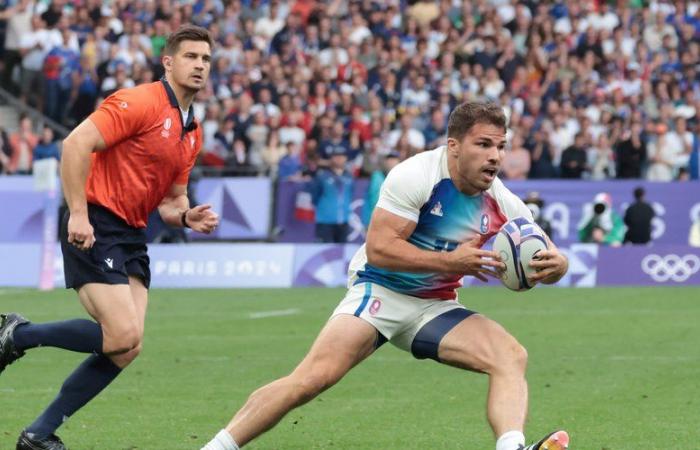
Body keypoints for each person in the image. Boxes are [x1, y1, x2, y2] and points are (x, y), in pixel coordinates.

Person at [200, 102, 570, 450]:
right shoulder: (417, 175)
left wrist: (558, 267)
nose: (495, 156)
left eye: (501, 146)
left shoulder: (504, 202)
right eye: (484, 144)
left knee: (510, 356)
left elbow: (542, 259)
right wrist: (451, 262)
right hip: (380, 292)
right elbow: (379, 249)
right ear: (454, 146)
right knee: (313, 378)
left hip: (434, 307)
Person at [0, 25, 219, 450]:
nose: (199, 66)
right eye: (191, 57)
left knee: (126, 347)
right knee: (120, 334)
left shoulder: (191, 131)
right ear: (168, 62)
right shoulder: (139, 101)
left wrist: (188, 216)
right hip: (97, 220)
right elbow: (76, 143)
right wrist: (79, 214)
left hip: (132, 234)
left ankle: (38, 434)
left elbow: (172, 201)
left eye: (206, 59)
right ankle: (17, 335)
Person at [309, 147, 354, 243]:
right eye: (336, 156)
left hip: (343, 220)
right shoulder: (322, 176)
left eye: (341, 156)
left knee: (342, 254)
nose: (339, 159)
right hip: (325, 221)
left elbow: (350, 194)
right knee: (325, 252)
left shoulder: (348, 177)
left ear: (346, 158)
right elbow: (315, 196)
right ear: (331, 158)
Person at [361, 150, 401, 228]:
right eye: (389, 159)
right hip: (374, 220)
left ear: (399, 161)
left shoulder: (403, 178)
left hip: (393, 222)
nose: (391, 162)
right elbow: (369, 198)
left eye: (394, 159)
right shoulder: (376, 176)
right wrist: (366, 221)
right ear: (385, 161)